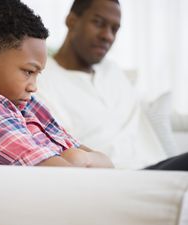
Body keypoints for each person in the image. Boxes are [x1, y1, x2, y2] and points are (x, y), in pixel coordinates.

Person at [0, 0, 188, 171]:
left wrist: (79, 158)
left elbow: (89, 155)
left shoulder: (24, 101)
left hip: (108, 181)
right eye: (28, 72)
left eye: (37, 74)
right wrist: (79, 158)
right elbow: (62, 175)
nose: (34, 86)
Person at [35, 0, 177, 169]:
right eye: (98, 23)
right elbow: (61, 147)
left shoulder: (113, 71)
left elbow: (151, 110)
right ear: (71, 21)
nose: (107, 36)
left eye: (114, 29)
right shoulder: (41, 80)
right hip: (122, 176)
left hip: (161, 167)